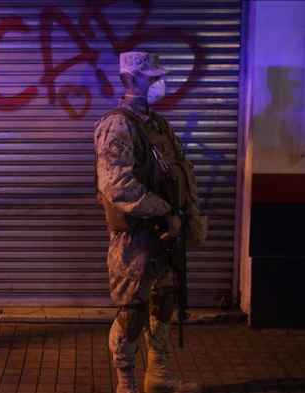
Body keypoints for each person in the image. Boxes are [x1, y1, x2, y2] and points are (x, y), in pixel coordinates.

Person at [94, 51, 205, 393]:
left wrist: (184, 217)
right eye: (153, 78)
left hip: (165, 236)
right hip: (136, 239)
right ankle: (124, 383)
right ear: (132, 80)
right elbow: (117, 186)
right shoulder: (117, 125)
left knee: (164, 302)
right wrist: (164, 211)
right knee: (133, 311)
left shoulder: (156, 124)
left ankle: (157, 374)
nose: (159, 83)